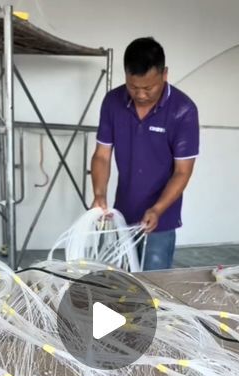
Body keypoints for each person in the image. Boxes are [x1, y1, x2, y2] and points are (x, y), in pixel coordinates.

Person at [90, 37, 199, 270]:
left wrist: (158, 209)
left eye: (148, 88)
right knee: (119, 281)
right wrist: (99, 195)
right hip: (122, 213)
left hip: (162, 218)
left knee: (154, 285)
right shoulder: (113, 102)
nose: (140, 95)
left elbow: (182, 172)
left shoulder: (183, 110)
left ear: (164, 74)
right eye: (133, 87)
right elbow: (102, 155)